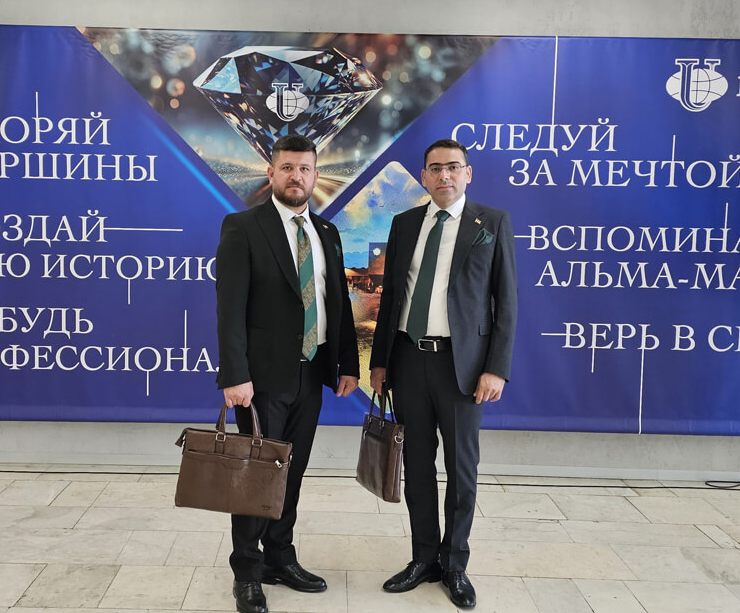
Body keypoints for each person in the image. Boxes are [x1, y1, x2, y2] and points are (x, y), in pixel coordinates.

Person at [370, 139, 517, 609]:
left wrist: (495, 368)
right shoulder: (405, 224)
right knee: (416, 466)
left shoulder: (491, 222)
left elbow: (506, 303)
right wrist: (379, 361)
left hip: (463, 367)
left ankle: (454, 565)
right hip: (409, 360)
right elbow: (390, 299)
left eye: (454, 167)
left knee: (460, 469)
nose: (444, 176)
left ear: (468, 173)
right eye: (435, 168)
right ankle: (423, 558)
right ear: (424, 176)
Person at [216, 134, 360, 613]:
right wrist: (235, 374)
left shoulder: (327, 233)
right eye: (287, 168)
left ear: (315, 176)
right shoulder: (242, 227)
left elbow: (337, 302)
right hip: (260, 380)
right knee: (256, 477)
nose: (296, 176)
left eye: (304, 169)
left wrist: (347, 364)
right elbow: (229, 308)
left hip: (312, 373)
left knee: (292, 472)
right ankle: (247, 572)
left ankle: (280, 557)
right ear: (271, 173)